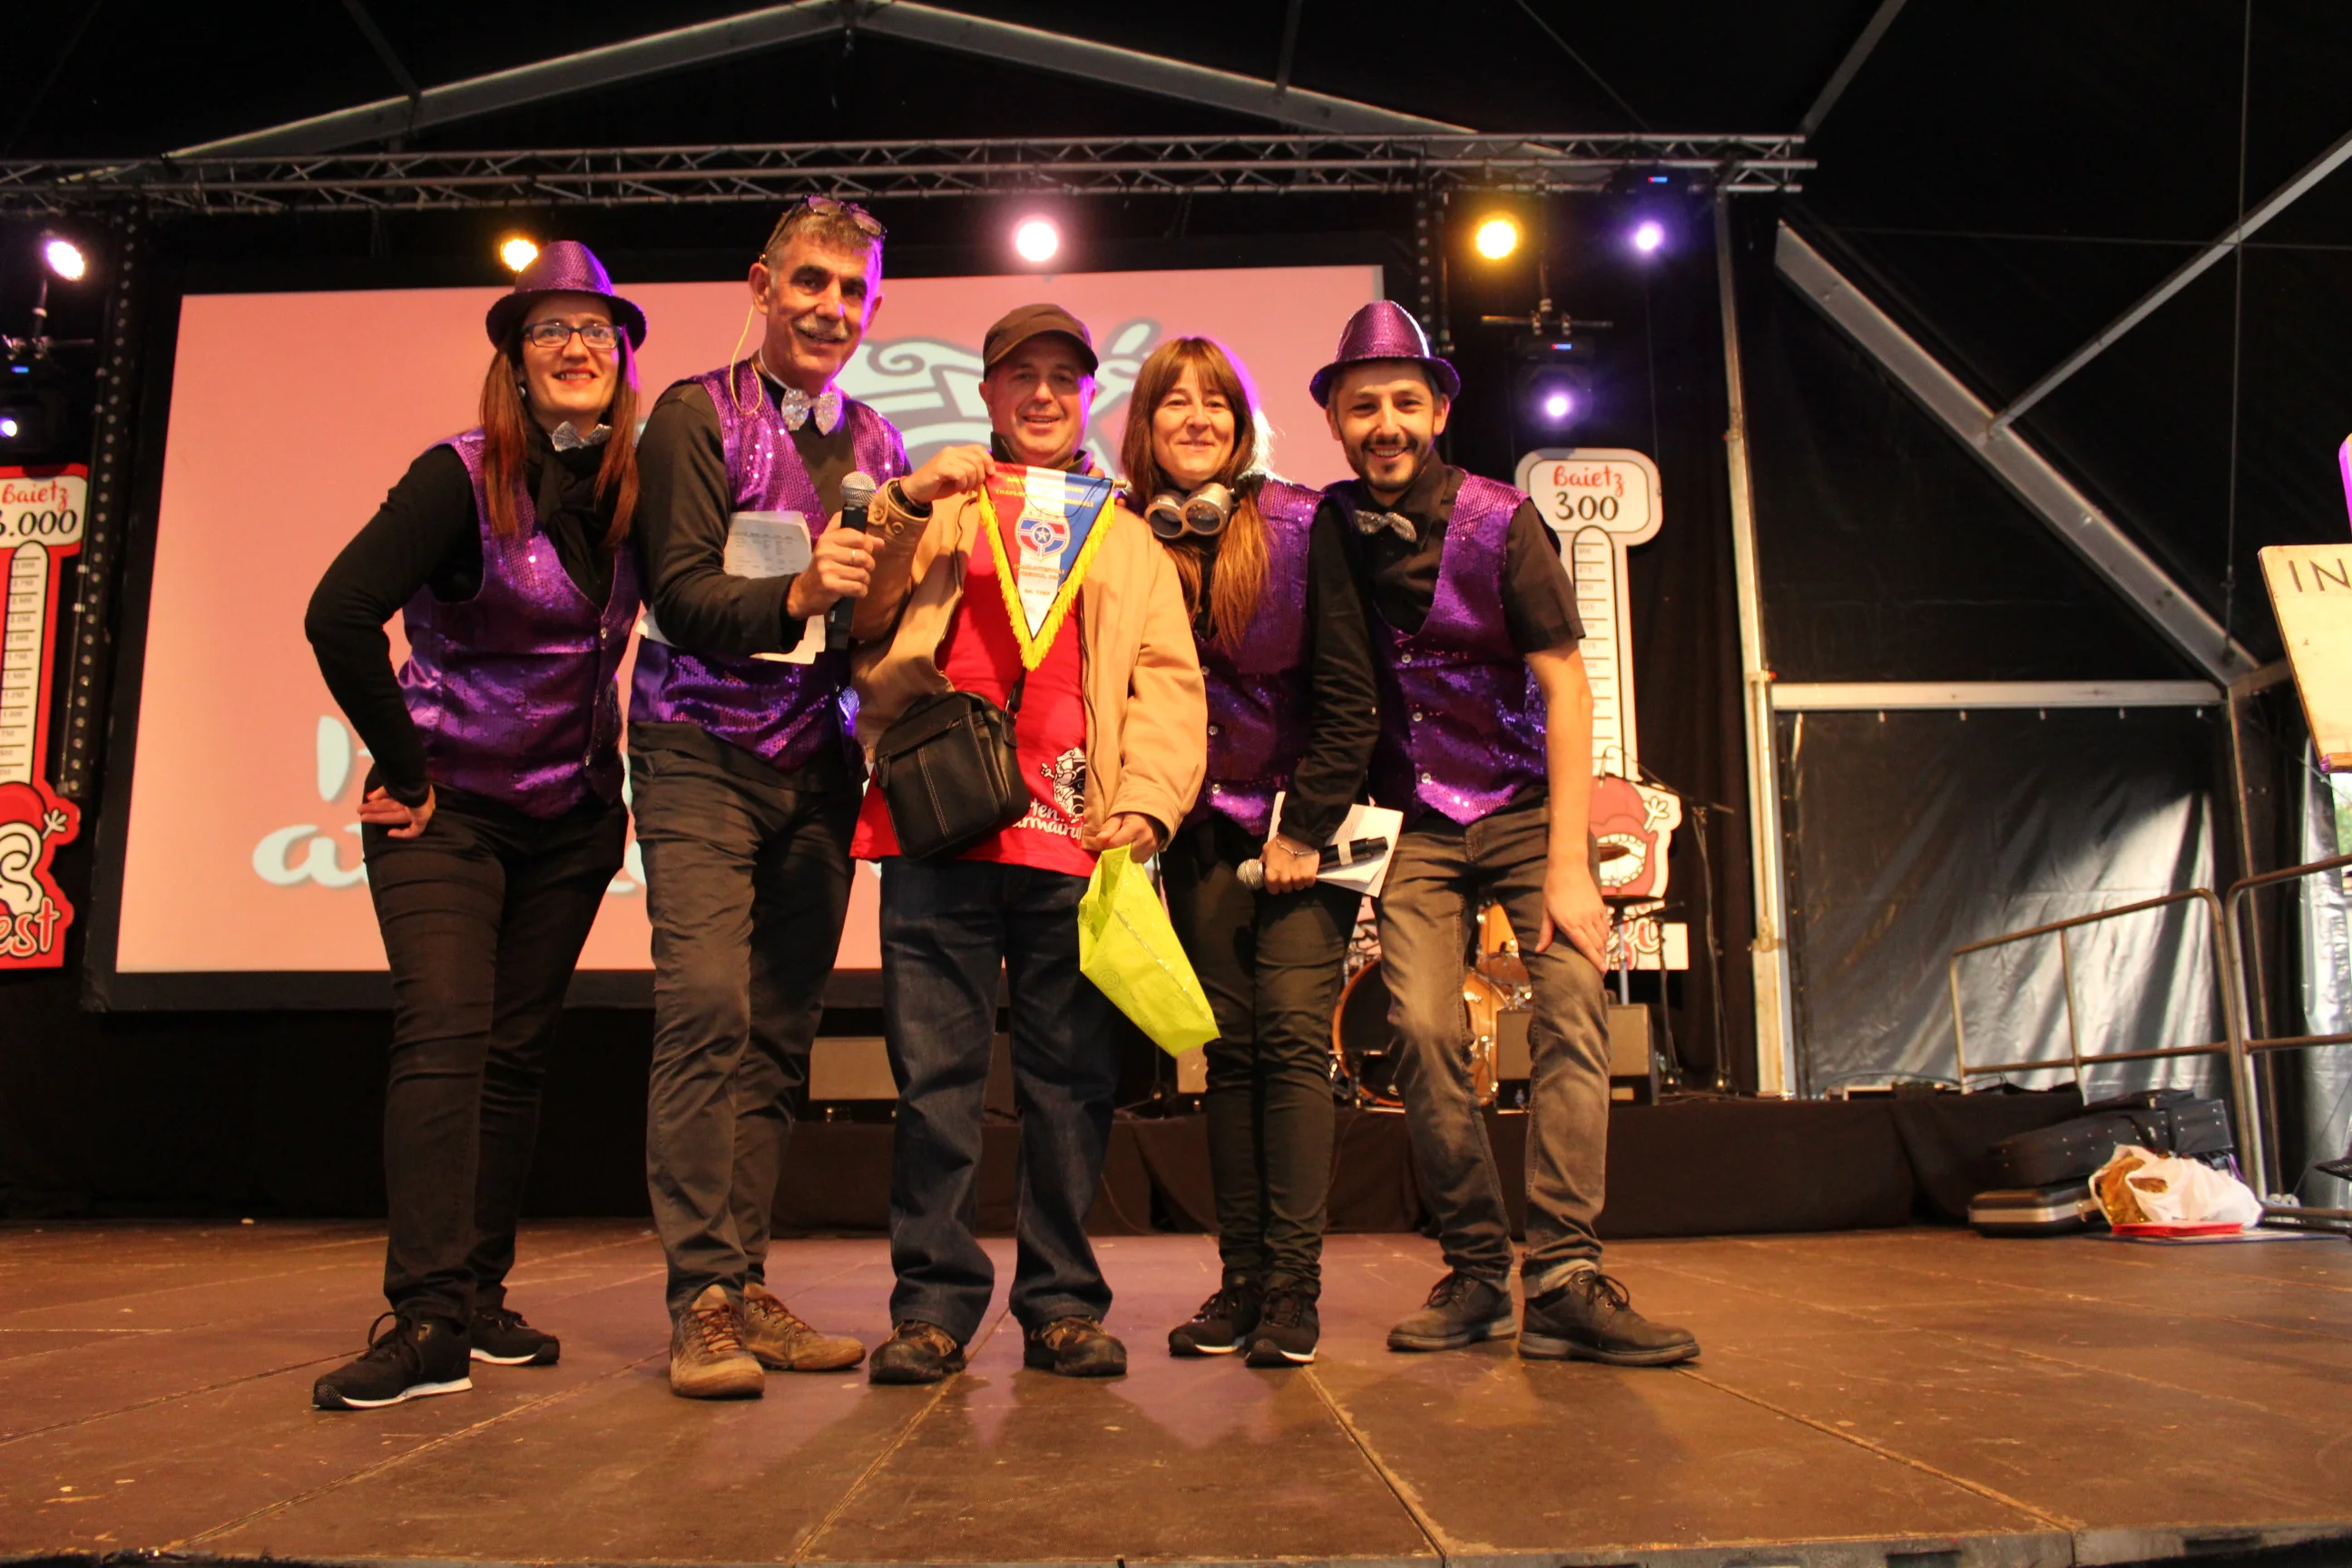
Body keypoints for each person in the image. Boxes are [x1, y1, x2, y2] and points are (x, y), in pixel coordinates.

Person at [629, 198, 979, 1399]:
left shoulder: (877, 438)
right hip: (696, 750)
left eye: (852, 290)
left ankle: (743, 1282)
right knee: (705, 1012)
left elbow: (865, 621)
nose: (831, 308)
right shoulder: (695, 415)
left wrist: (910, 541)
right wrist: (797, 593)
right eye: (812, 282)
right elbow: (680, 596)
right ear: (763, 285)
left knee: (779, 1039)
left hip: (817, 763)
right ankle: (700, 1302)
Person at [1313, 301, 1698, 1367]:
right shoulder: (1327, 528)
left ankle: (1566, 1276)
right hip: (1413, 824)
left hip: (1527, 810)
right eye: (1362, 408)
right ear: (1336, 421)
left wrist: (1571, 862)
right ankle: (1479, 1271)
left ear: (1438, 410)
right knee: (1422, 1031)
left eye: (1404, 402)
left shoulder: (1502, 520)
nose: (1385, 425)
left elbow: (1567, 685)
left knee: (1572, 1007)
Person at [303, 241, 646, 1409]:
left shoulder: (633, 486)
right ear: (515, 357)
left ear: (622, 357)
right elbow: (339, 612)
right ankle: (426, 1319)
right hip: (447, 811)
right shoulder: (457, 476)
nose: (576, 347)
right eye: (550, 329)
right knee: (446, 1037)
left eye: (596, 330)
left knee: (514, 1058)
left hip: (573, 817)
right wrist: (406, 766)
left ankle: (478, 1297)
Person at [849, 304, 1206, 1384]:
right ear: (988, 392)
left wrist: (1148, 802)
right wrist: (907, 502)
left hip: (1077, 837)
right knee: (935, 1087)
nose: (1044, 394)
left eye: (1064, 376)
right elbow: (860, 616)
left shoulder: (1128, 534)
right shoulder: (939, 504)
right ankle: (932, 1308)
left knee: (1070, 1088)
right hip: (938, 830)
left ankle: (1060, 1304)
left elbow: (1168, 684)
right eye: (1022, 375)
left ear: (1089, 394)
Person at [1119, 338, 1377, 1368]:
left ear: (1241, 422)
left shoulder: (1306, 523)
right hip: (1197, 832)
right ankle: (1243, 1284)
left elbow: (1351, 694)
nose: (1195, 417)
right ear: (1145, 425)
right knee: (1226, 1054)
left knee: (1291, 1041)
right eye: (1172, 401)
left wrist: (1305, 827)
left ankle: (1294, 1291)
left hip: (1306, 828)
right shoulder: (1128, 535)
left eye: (1215, 401)